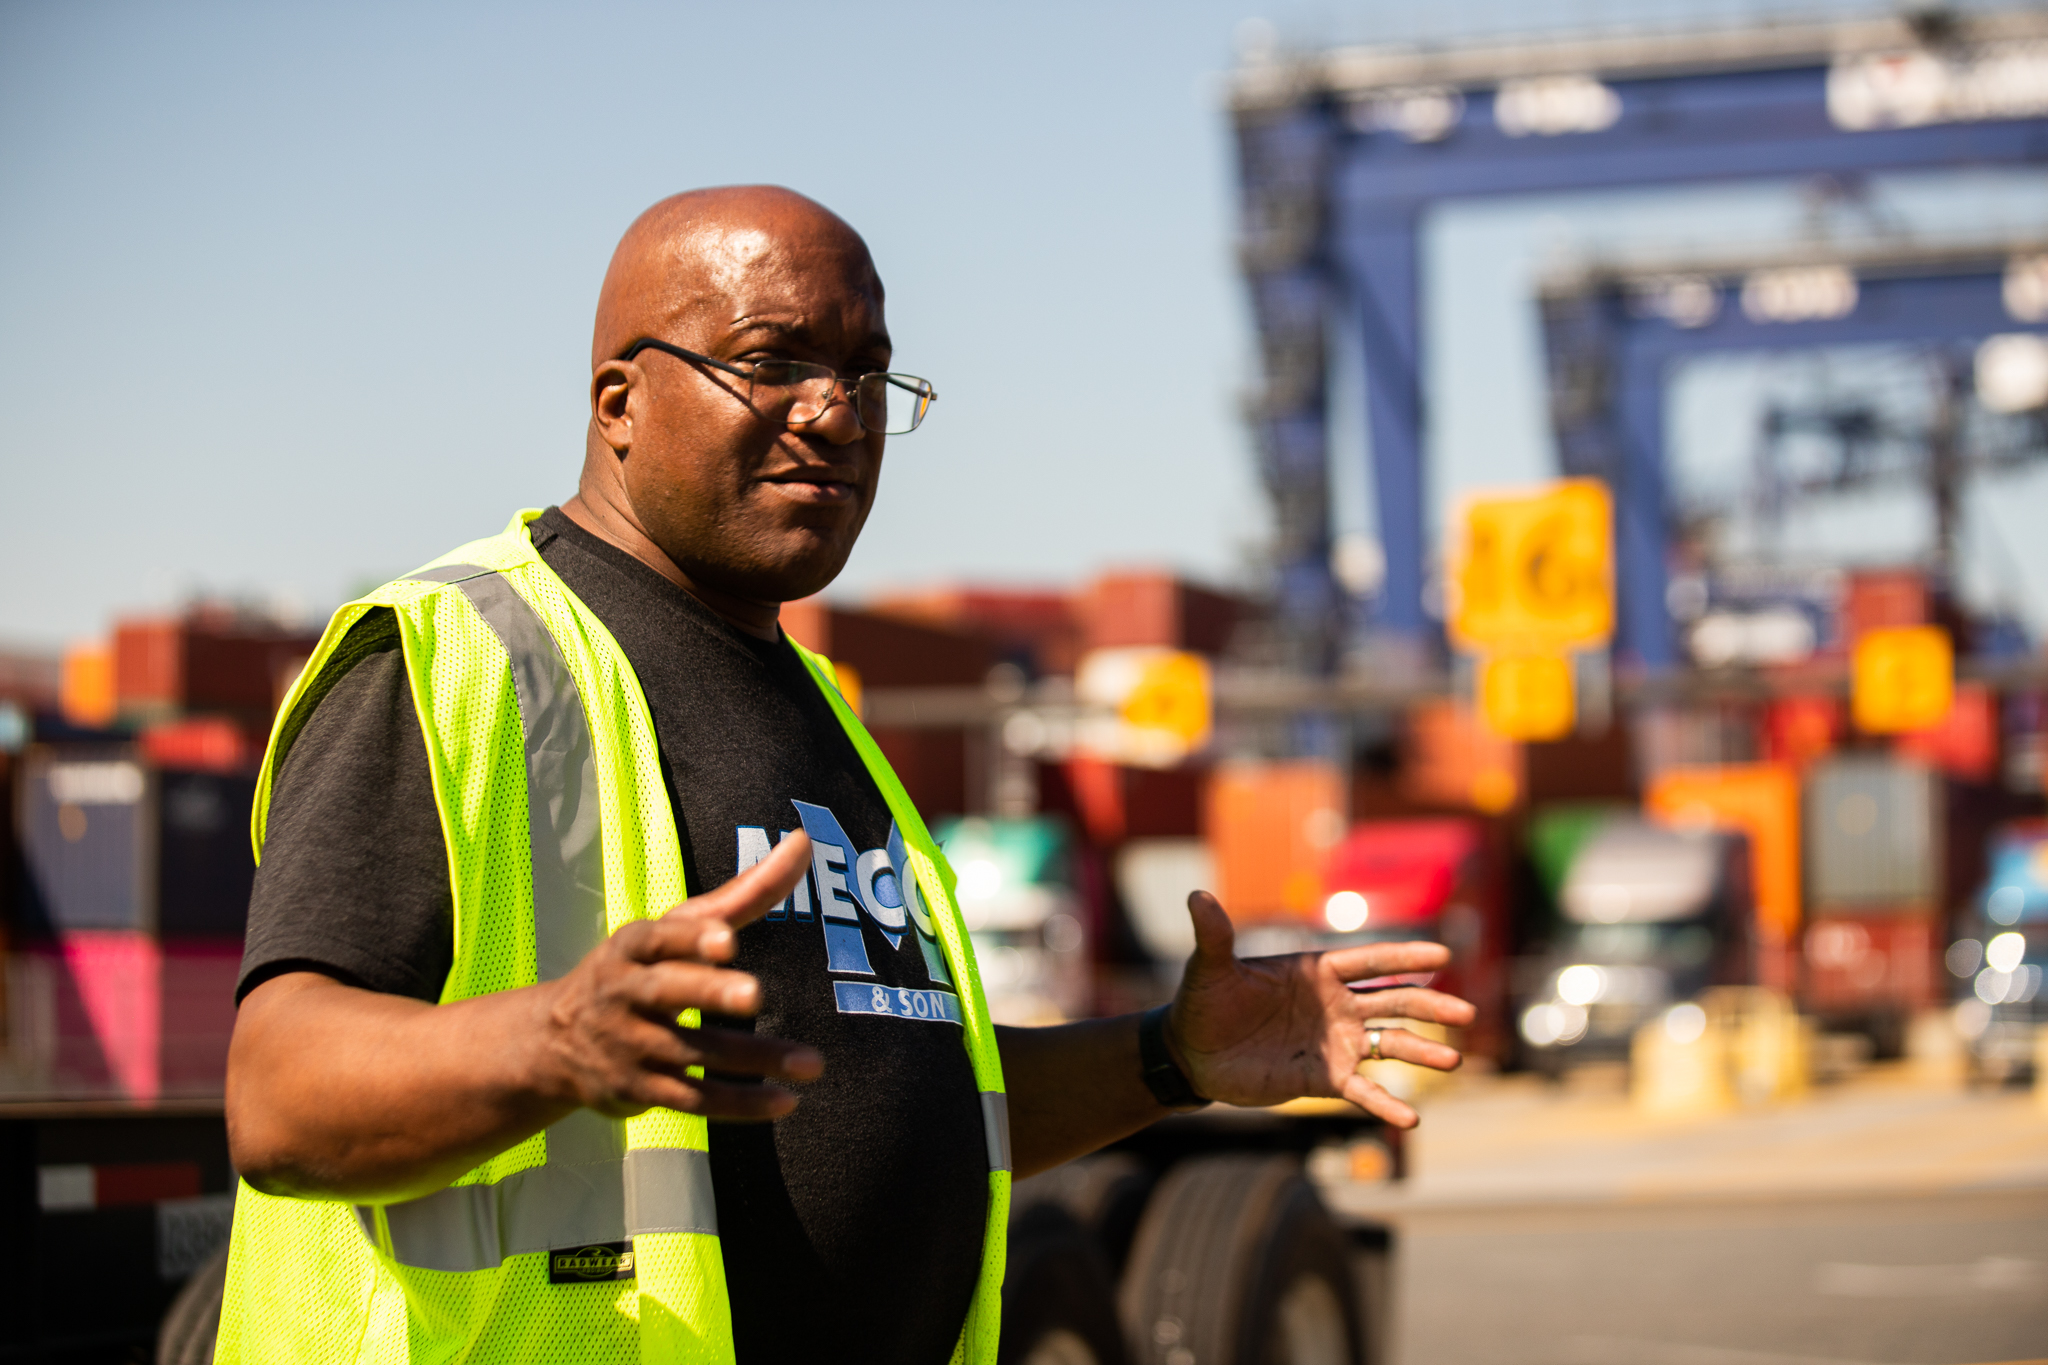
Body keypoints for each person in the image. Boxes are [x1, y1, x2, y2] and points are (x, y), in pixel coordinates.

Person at [216, 185, 1474, 1365]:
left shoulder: (818, 708)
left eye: (866, 373)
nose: (835, 413)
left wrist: (1163, 1057)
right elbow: (278, 1095)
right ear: (618, 402)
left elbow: (910, 1095)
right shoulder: (461, 657)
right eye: (771, 362)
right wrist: (557, 1039)